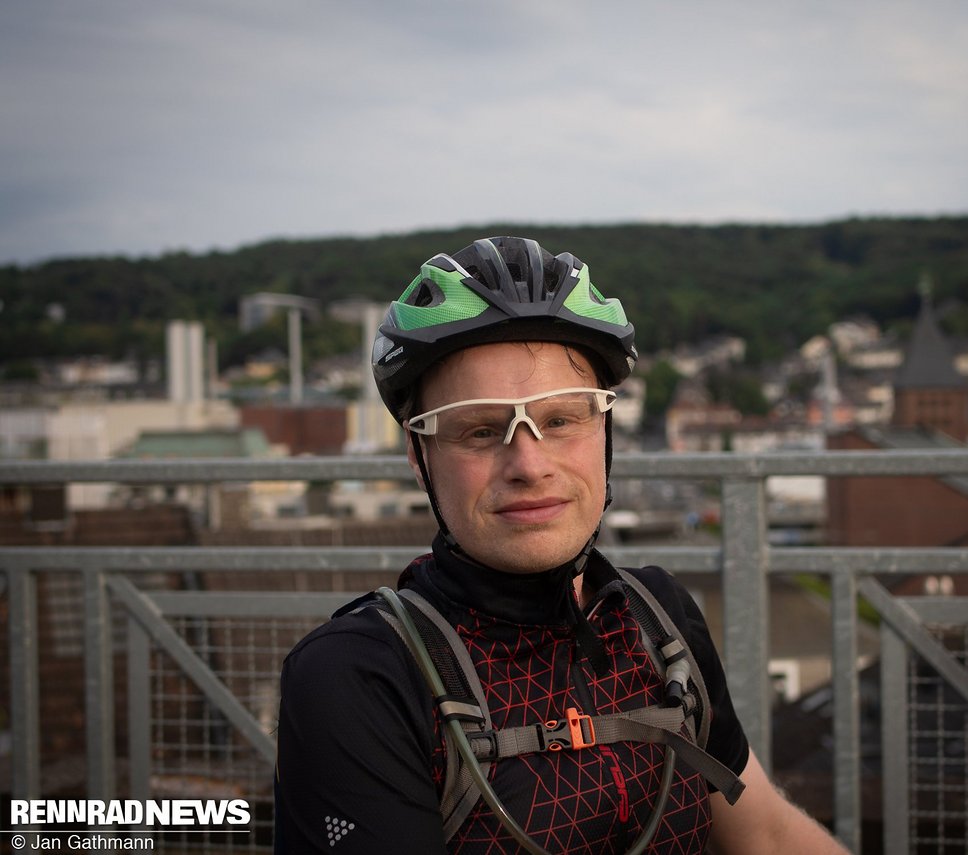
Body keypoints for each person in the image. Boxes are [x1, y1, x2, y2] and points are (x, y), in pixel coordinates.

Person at [274, 236, 847, 853]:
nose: (528, 463)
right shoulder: (364, 676)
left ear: (605, 433)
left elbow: (764, 833)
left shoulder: (658, 620)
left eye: (562, 420)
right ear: (419, 458)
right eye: (480, 428)